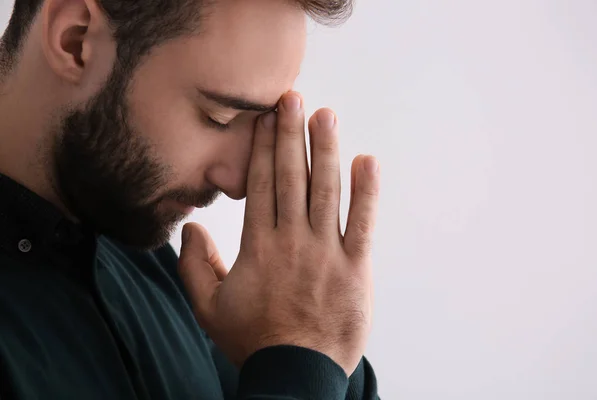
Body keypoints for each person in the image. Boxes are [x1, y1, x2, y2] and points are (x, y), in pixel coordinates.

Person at [0, 0, 381, 398]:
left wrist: (318, 344)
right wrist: (302, 360)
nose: (237, 185)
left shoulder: (141, 249)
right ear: (75, 40)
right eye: (220, 118)